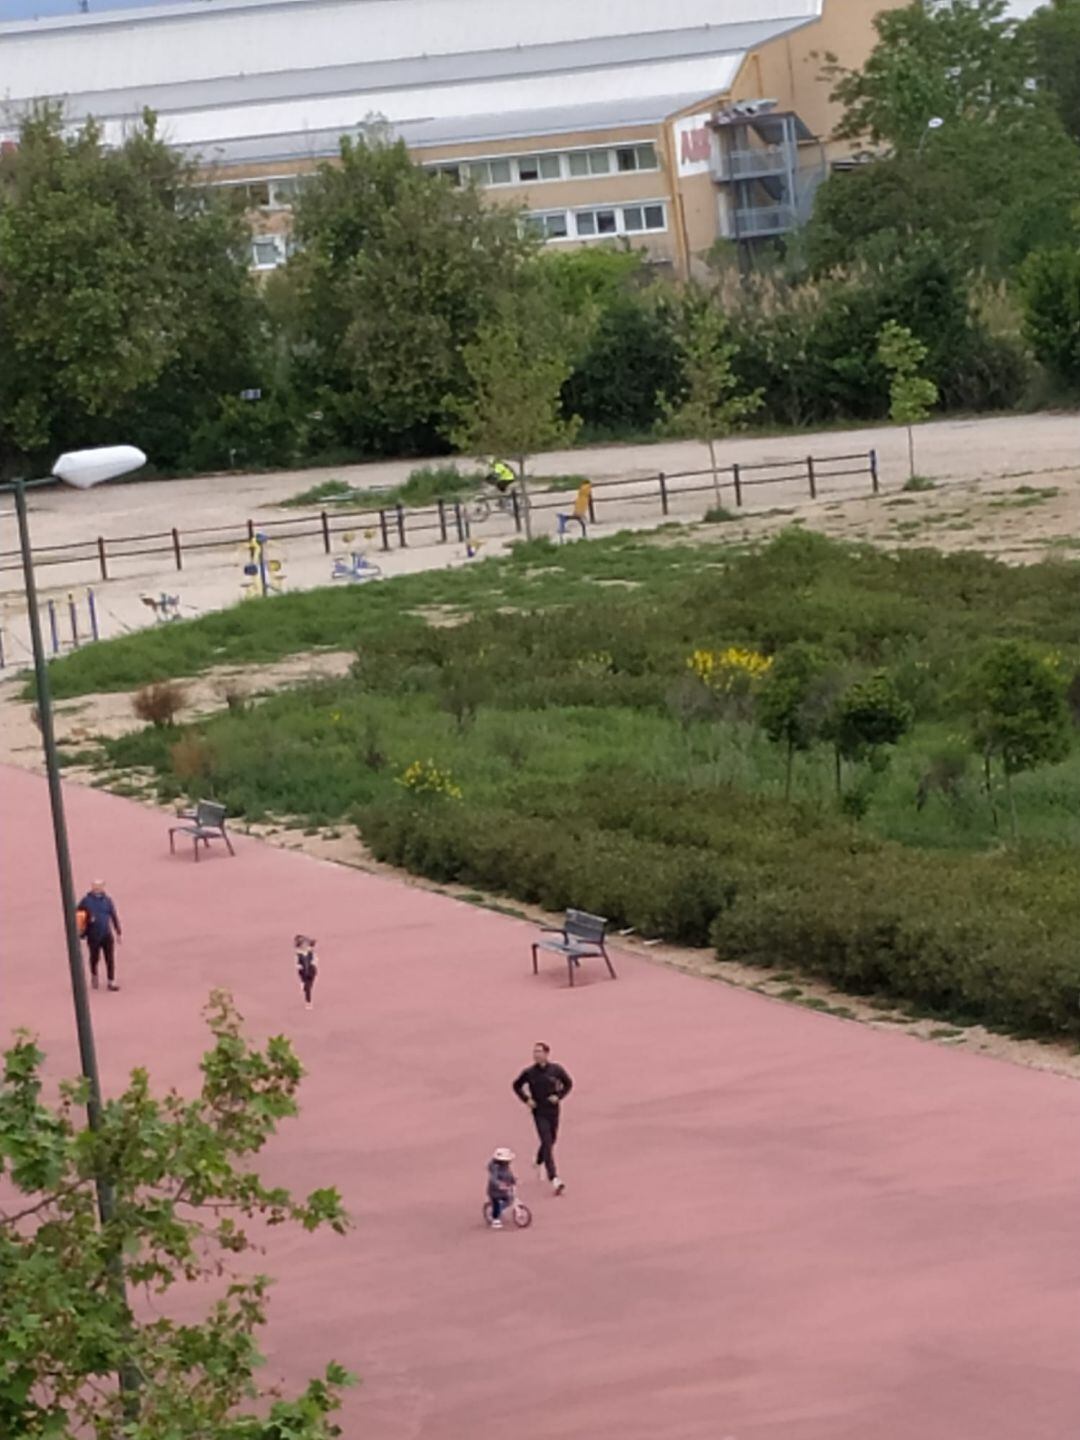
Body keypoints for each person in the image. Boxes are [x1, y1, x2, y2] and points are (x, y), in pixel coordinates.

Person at [512, 1042, 572, 1195]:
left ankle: (539, 1160)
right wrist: (527, 1099)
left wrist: (558, 1096)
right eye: (535, 1052)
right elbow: (516, 1086)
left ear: (546, 1054)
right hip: (538, 1111)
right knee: (546, 1141)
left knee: (552, 1139)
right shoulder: (529, 1072)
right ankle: (554, 1178)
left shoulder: (556, 1070)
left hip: (553, 1110)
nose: (536, 1055)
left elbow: (568, 1084)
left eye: (539, 1052)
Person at [77, 879, 122, 992]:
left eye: (100, 886)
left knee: (110, 958)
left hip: (106, 933)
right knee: (94, 957)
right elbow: (78, 915)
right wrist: (83, 927)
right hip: (93, 935)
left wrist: (118, 931)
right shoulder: (86, 901)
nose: (98, 888)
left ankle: (111, 980)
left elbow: (113, 915)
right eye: (96, 886)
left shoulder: (107, 900)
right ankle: (94, 975)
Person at [486, 1146, 517, 1230]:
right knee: (496, 1204)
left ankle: (500, 1209)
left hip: (504, 1189)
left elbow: (509, 1174)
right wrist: (499, 1184)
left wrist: (513, 1180)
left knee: (509, 1200)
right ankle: (495, 1219)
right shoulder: (495, 1168)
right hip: (495, 1191)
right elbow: (493, 1179)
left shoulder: (506, 1167)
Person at [295, 934, 318, 1009]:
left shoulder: (310, 951)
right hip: (303, 971)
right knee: (308, 987)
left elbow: (315, 958)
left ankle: (304, 986)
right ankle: (308, 1002)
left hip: (311, 970)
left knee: (310, 985)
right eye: (303, 944)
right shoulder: (298, 953)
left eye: (305, 944)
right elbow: (297, 963)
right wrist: (299, 967)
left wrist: (313, 963)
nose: (304, 945)